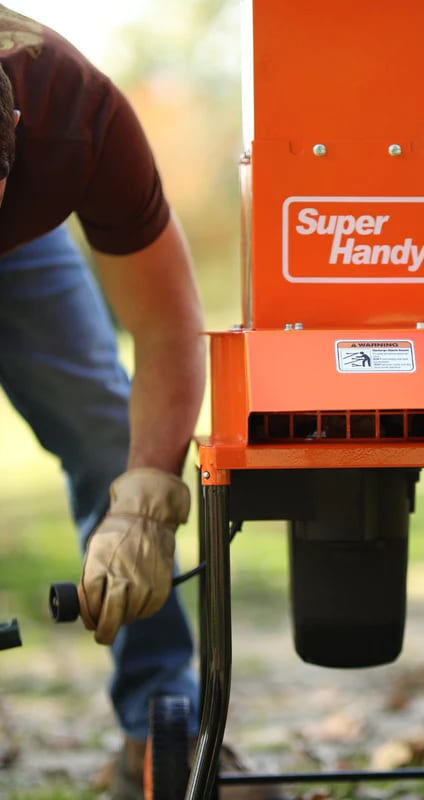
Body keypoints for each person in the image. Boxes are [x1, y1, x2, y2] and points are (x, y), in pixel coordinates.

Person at [0, 6, 218, 798]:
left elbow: (167, 330)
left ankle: (159, 731)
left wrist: (144, 512)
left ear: (13, 130)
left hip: (27, 240)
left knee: (105, 428)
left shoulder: (76, 112)